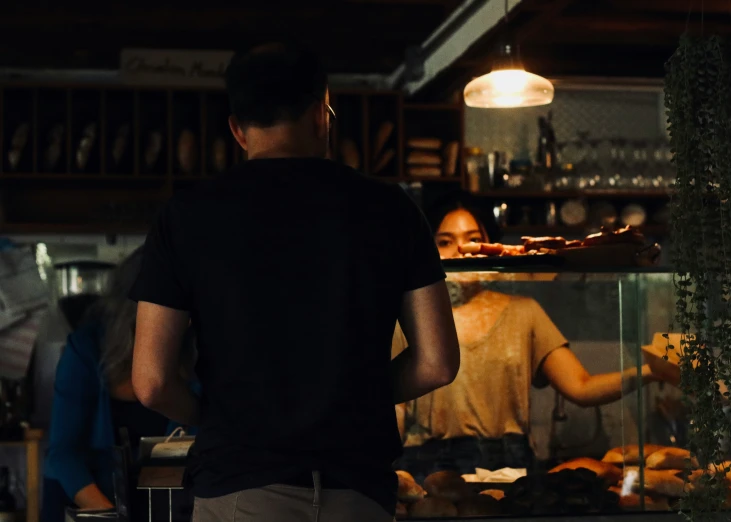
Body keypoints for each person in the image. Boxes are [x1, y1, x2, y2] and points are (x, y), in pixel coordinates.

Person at [128, 43, 459, 522]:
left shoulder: (185, 217)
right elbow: (437, 363)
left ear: (237, 130)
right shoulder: (391, 210)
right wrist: (351, 397)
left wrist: (221, 417)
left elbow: (151, 383)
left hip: (238, 487)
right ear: (321, 115)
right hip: (358, 493)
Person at [394, 199, 662, 481]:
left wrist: (651, 371)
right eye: (445, 241)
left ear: (489, 246)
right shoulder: (412, 319)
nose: (463, 251)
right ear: (429, 249)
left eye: (474, 240)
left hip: (508, 464)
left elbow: (581, 387)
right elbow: (394, 406)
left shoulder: (524, 312)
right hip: (427, 464)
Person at [42, 248, 196, 522]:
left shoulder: (192, 354)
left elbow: (182, 447)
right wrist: (110, 516)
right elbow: (64, 453)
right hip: (85, 502)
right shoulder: (86, 349)